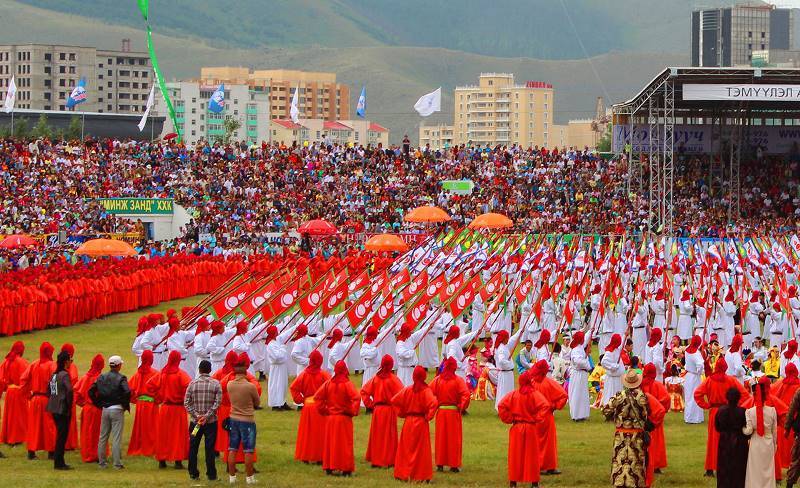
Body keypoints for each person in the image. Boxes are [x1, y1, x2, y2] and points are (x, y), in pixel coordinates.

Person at [694, 356, 752, 477]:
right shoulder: (731, 380)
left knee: (712, 440)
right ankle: (726, 466)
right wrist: (738, 407)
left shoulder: (709, 380)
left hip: (715, 411)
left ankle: (710, 469)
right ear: (725, 367)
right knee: (728, 439)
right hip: (728, 411)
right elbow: (746, 395)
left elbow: (697, 394)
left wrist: (707, 405)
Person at [498, 369, 550, 488]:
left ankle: (513, 482)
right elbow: (545, 405)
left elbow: (501, 406)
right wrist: (537, 418)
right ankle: (534, 483)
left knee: (515, 455)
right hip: (531, 427)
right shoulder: (534, 394)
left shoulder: (514, 394)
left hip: (517, 428)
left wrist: (509, 418)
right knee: (532, 455)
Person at [601, 370, 652, 488]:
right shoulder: (642, 396)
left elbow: (605, 410)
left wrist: (615, 418)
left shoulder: (619, 395)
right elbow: (646, 415)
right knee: (636, 462)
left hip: (621, 435)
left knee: (620, 461)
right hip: (637, 435)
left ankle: (619, 483)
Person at [392, 365, 438, 482]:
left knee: (406, 449)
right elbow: (433, 403)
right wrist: (428, 416)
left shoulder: (408, 389)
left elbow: (394, 400)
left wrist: (402, 413)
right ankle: (421, 475)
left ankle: (403, 473)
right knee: (421, 450)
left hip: (408, 422)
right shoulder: (426, 391)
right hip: (421, 422)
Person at [315, 360, 360, 476]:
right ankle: (345, 469)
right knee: (344, 444)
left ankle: (329, 467)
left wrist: (324, 410)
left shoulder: (328, 383)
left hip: (331, 418)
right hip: (343, 419)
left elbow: (317, 397)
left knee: (330, 443)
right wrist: (352, 411)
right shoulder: (347, 384)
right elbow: (356, 398)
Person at [147, 350, 191, 469]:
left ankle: (162, 460)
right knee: (178, 435)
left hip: (165, 408)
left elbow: (149, 385)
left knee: (164, 435)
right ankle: (177, 461)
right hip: (178, 409)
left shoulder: (162, 373)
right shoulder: (181, 374)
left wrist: (158, 397)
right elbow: (189, 388)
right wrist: (184, 399)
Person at [428, 357, 471, 473]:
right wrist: (461, 406)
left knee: (441, 438)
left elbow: (428, 393)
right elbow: (466, 394)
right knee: (453, 439)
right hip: (453, 413)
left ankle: (440, 464)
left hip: (441, 413)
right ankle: (454, 465)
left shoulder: (437, 380)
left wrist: (434, 405)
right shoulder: (458, 380)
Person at [360, 354, 403, 468]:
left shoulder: (376, 378)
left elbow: (364, 391)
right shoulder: (393, 379)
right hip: (389, 410)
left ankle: (376, 460)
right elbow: (402, 394)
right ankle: (389, 460)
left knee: (377, 435)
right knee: (389, 436)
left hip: (377, 410)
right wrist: (398, 407)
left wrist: (370, 404)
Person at [290, 350, 331, 464]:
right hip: (320, 406)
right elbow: (330, 388)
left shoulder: (304, 374)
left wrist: (301, 400)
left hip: (308, 406)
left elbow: (293, 388)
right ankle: (320, 456)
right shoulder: (324, 374)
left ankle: (305, 456)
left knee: (307, 432)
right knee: (320, 432)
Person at [184, 359, 222, 481]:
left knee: (193, 446)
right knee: (210, 448)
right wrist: (207, 415)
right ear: (210, 370)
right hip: (211, 422)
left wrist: (197, 416)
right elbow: (217, 403)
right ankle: (211, 474)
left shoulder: (192, 384)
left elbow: (187, 403)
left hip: (195, 424)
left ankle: (193, 473)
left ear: (199, 370)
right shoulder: (216, 384)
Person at [226, 353, 261, 484]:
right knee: (248, 450)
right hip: (247, 420)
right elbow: (257, 402)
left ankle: (232, 477)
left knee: (232, 448)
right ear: (246, 371)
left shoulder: (230, 384)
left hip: (233, 419)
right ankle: (249, 477)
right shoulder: (250, 386)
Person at [90, 355, 130, 470]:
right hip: (117, 409)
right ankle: (117, 463)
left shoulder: (101, 377)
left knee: (103, 437)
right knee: (116, 437)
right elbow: (127, 391)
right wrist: (124, 404)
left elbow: (91, 391)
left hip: (105, 409)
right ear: (119, 365)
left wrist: (98, 403)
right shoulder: (121, 378)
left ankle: (102, 463)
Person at [530, 359, 568, 476]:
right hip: (547, 416)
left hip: (535, 416)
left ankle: (540, 465)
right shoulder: (549, 383)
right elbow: (563, 395)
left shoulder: (531, 383)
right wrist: (554, 406)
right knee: (549, 442)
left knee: (536, 441)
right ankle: (550, 466)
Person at [22, 342, 57, 460]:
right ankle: (51, 452)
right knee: (49, 425)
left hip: (35, 399)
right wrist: (55, 397)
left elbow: (23, 379)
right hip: (47, 399)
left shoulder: (34, 364)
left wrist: (28, 395)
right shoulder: (52, 365)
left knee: (33, 425)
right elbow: (54, 382)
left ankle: (31, 452)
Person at [744, 376, 777, 488]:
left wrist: (742, 430)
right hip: (768, 442)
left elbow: (749, 431)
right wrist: (775, 445)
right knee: (768, 470)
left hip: (755, 442)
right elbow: (774, 431)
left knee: (755, 469)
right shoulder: (772, 411)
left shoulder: (749, 412)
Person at [714, 387, 748, 488]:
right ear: (739, 398)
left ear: (727, 397)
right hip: (739, 441)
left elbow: (717, 427)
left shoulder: (721, 410)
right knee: (739, 467)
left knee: (724, 466)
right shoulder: (743, 412)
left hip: (724, 441)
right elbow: (746, 427)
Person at [127, 349, 159, 457]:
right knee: (151, 427)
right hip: (151, 404)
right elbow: (160, 389)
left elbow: (129, 389)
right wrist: (157, 399)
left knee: (140, 427)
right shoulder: (155, 373)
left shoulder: (138, 373)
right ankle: (150, 447)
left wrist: (135, 400)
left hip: (140, 404)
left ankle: (140, 445)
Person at [74, 354, 104, 463]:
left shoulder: (85, 377)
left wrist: (84, 404)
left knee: (86, 432)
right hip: (98, 409)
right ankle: (97, 454)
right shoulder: (101, 378)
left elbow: (76, 395)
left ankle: (87, 454)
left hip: (87, 409)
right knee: (98, 432)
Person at [46, 350, 73, 470]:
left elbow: (48, 390)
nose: (71, 362)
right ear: (66, 362)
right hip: (62, 409)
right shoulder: (65, 375)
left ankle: (59, 461)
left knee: (59, 435)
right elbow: (69, 390)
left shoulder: (54, 375)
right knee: (62, 437)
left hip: (53, 408)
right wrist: (68, 405)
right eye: (70, 360)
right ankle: (59, 462)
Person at [0, 341, 29, 448]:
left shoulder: (6, 361)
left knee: (10, 415)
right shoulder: (22, 362)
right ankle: (17, 438)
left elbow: (1, 378)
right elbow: (26, 378)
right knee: (19, 416)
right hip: (19, 391)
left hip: (9, 391)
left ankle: (8, 437)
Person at [568, 331, 591, 421]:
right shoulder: (575, 350)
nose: (583, 340)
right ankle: (576, 415)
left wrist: (591, 331)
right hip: (577, 374)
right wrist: (587, 364)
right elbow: (578, 361)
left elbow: (586, 338)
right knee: (576, 394)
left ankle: (582, 414)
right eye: (582, 338)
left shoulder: (580, 347)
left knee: (583, 395)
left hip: (582, 374)